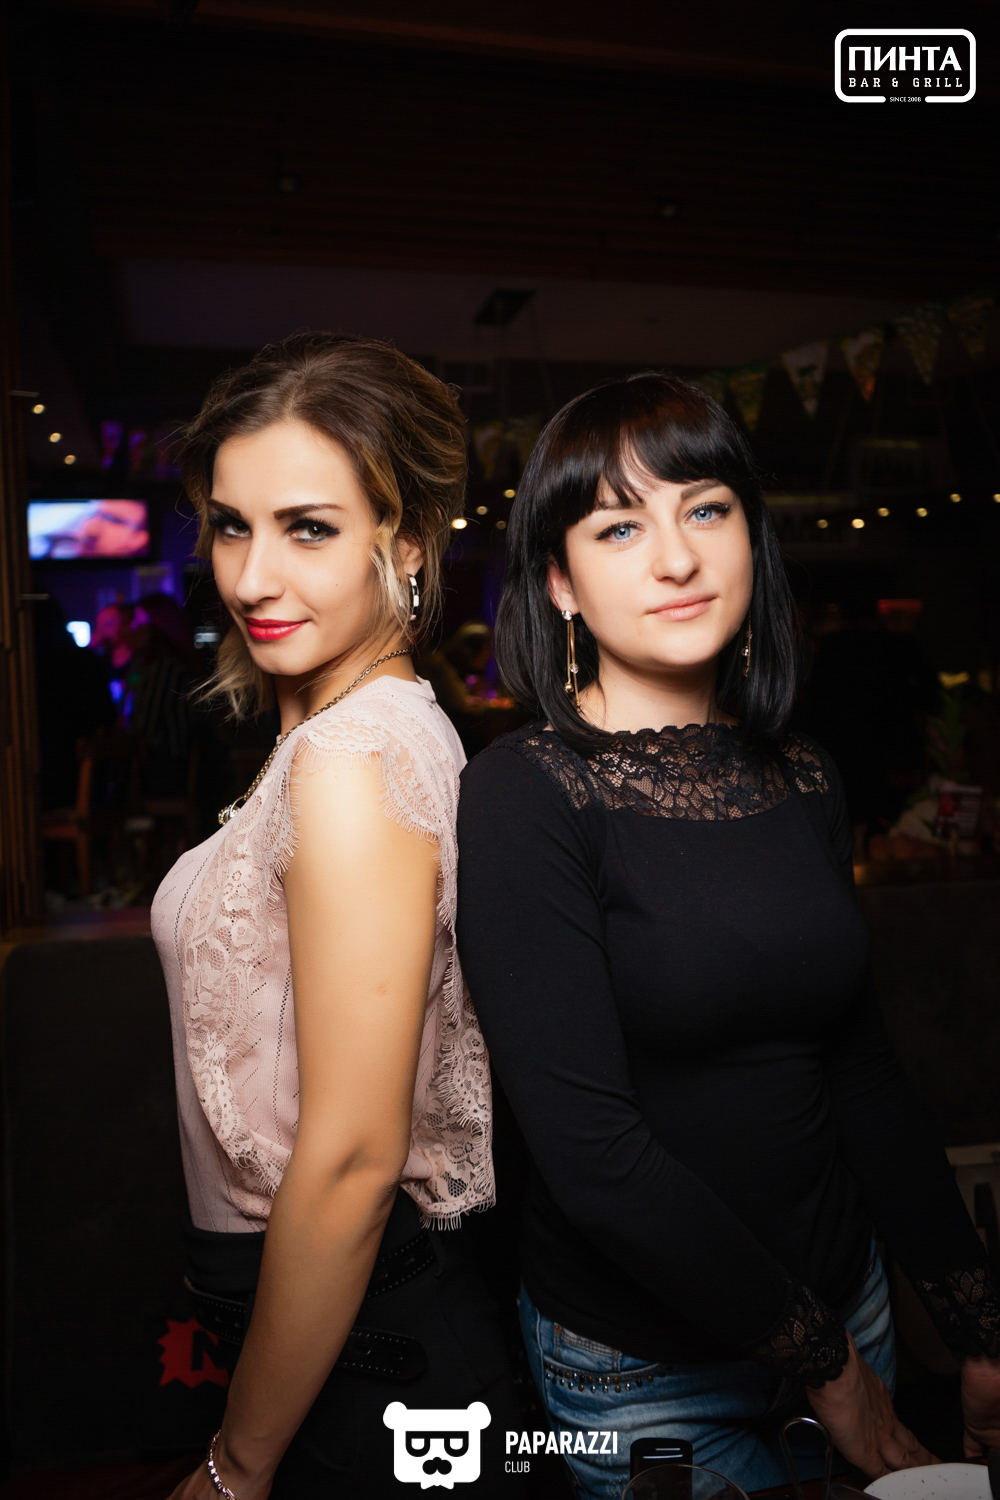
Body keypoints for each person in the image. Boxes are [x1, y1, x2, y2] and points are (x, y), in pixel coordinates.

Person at [455, 373, 1000, 1499]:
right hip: (644, 1372)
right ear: (559, 583)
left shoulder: (804, 774)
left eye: (705, 509)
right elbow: (594, 1159)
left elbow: (863, 1076)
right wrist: (830, 1372)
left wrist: (977, 1327)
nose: (677, 558)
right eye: (619, 527)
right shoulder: (525, 795)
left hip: (852, 1306)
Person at [151, 334, 522, 1500]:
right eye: (231, 526)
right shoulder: (356, 730)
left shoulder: (352, 759)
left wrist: (237, 1464)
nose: (253, 578)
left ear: (406, 541)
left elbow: (358, 1153)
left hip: (371, 1353)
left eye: (307, 528)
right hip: (326, 1326)